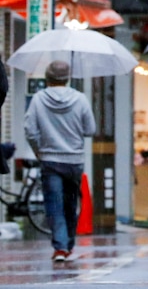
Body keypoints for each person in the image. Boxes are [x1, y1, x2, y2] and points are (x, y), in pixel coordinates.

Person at [24, 60, 96, 262]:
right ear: (67, 78)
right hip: (74, 160)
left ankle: (60, 247)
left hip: (49, 159)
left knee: (54, 205)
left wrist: (38, 149)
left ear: (48, 77)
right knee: (70, 204)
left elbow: (30, 129)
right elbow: (90, 129)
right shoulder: (80, 99)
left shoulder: (38, 99)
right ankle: (68, 243)